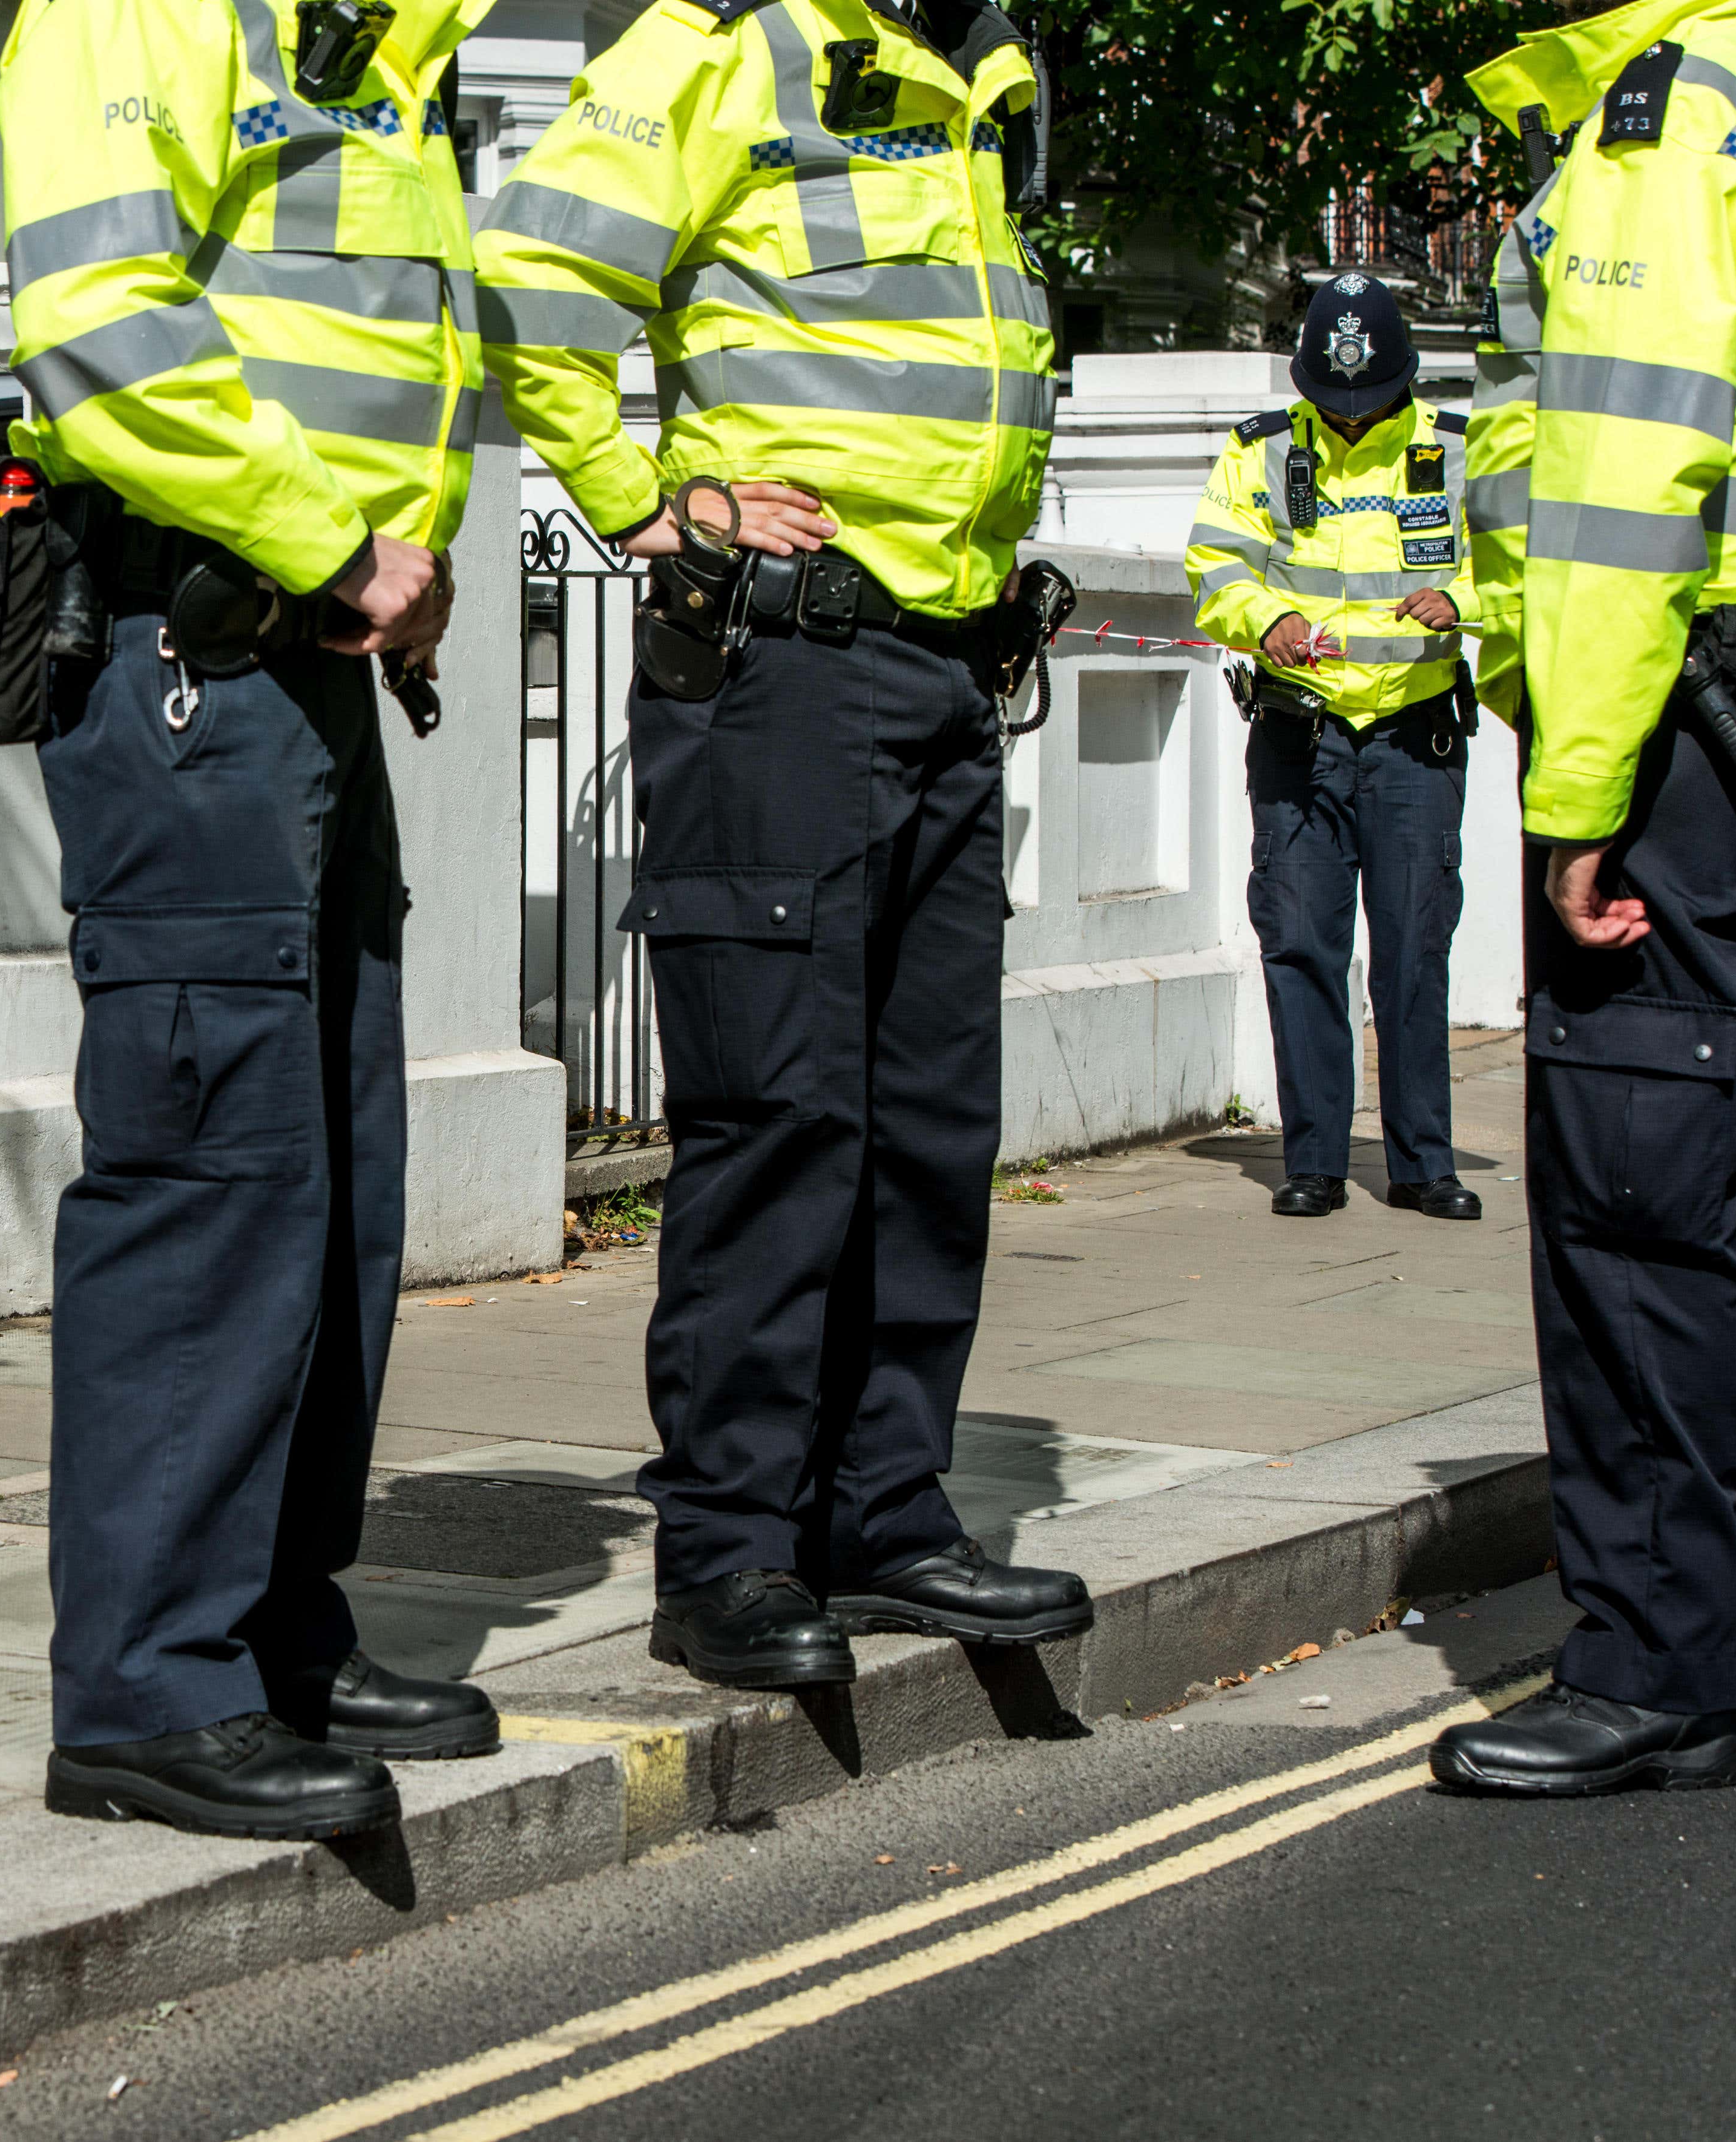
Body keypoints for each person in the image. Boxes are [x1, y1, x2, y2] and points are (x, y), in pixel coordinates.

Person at [475, 0, 1090, 1688]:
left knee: (923, 1123)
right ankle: (730, 1551)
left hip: (944, 674)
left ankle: (882, 1512)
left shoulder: (973, 81)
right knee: (779, 1117)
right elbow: (524, 272)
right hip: (781, 670)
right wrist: (629, 494)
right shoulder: (714, 47)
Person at [0, 0, 501, 1839]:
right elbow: (102, 332)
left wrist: (397, 565)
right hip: (187, 655)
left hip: (298, 667)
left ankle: (274, 1624)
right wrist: (345, 544)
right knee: (207, 1178)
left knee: (325, 1179)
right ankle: (145, 1685)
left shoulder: (363, 46)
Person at [1430, 0, 1736, 1794]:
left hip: (1667, 728)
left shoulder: (1664, 116)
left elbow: (1623, 484)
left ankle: (1653, 1670)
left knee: (1626, 1204)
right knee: (1717, 1195)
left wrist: (1577, 793)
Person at [1186, 277, 1485, 1224]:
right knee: (1304, 947)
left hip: (1413, 736)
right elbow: (1215, 565)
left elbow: (1514, 565)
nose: (1351, 420)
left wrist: (1462, 601)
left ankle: (1420, 1165)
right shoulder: (1262, 451)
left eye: (1369, 403)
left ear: (1404, 380)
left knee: (1412, 952)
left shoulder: (1458, 452)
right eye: (1334, 404)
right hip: (1298, 735)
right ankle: (1311, 1159)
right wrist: (1264, 616)